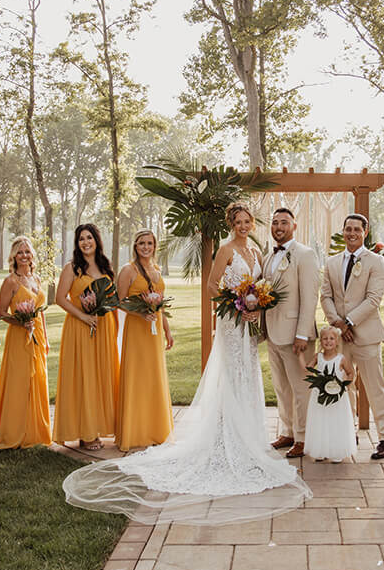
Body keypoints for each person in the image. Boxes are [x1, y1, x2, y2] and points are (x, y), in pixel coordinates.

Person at [62, 203, 311, 525]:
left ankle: (248, 438)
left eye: (247, 221)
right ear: (231, 224)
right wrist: (236, 305)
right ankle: (225, 441)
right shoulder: (225, 250)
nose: (243, 226)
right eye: (238, 222)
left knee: (247, 377)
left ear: (252, 224)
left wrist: (255, 308)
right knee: (231, 378)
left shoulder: (256, 252)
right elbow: (212, 286)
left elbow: (260, 290)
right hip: (231, 323)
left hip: (248, 326)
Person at [320, 213, 384, 459]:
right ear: (343, 231)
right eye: (348, 229)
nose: (352, 233)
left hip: (367, 334)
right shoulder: (331, 263)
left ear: (365, 231)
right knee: (343, 386)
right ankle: (346, 433)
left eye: (357, 229)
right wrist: (338, 324)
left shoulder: (375, 261)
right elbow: (326, 296)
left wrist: (349, 322)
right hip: (341, 337)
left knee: (375, 388)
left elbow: (373, 298)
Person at [53, 223, 120, 451]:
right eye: (81, 239)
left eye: (89, 238)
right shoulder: (72, 268)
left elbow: (113, 299)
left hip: (104, 328)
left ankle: (99, 427)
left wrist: (114, 328)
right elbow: (60, 299)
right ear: (77, 243)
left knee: (101, 377)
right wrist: (83, 316)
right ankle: (85, 433)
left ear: (96, 240)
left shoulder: (105, 267)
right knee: (84, 377)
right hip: (80, 328)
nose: (85, 242)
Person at [263, 207, 319, 459]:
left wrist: (303, 334)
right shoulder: (268, 256)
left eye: (284, 222)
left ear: (294, 226)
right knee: (281, 387)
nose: (279, 227)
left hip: (296, 335)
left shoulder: (305, 254)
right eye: (275, 223)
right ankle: (287, 431)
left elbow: (310, 297)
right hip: (272, 333)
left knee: (301, 388)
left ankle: (304, 436)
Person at [0, 236, 52, 449]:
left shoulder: (37, 279)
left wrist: (46, 339)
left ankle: (35, 430)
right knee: (19, 380)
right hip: (19, 335)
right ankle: (14, 431)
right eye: (20, 252)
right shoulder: (11, 281)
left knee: (38, 379)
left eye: (27, 252)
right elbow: (2, 312)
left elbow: (40, 312)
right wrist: (20, 323)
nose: (24, 256)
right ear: (14, 255)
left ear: (32, 254)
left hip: (38, 334)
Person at [115, 229, 174, 452]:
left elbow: (160, 306)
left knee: (153, 377)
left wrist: (167, 330)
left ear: (154, 246)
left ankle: (155, 430)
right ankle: (135, 431)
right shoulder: (128, 270)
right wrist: (140, 314)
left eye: (149, 243)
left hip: (155, 330)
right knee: (137, 376)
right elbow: (118, 301)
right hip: (137, 330)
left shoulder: (156, 271)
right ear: (135, 246)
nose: (146, 247)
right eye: (141, 243)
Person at [304, 325, 356, 463]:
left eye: (332, 338)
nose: (328, 341)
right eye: (325, 338)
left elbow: (351, 372)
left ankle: (336, 450)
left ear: (337, 341)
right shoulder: (318, 357)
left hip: (337, 397)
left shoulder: (341, 358)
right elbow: (308, 369)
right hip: (320, 396)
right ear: (320, 341)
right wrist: (300, 357)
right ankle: (321, 450)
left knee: (335, 422)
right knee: (321, 421)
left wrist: (345, 386)